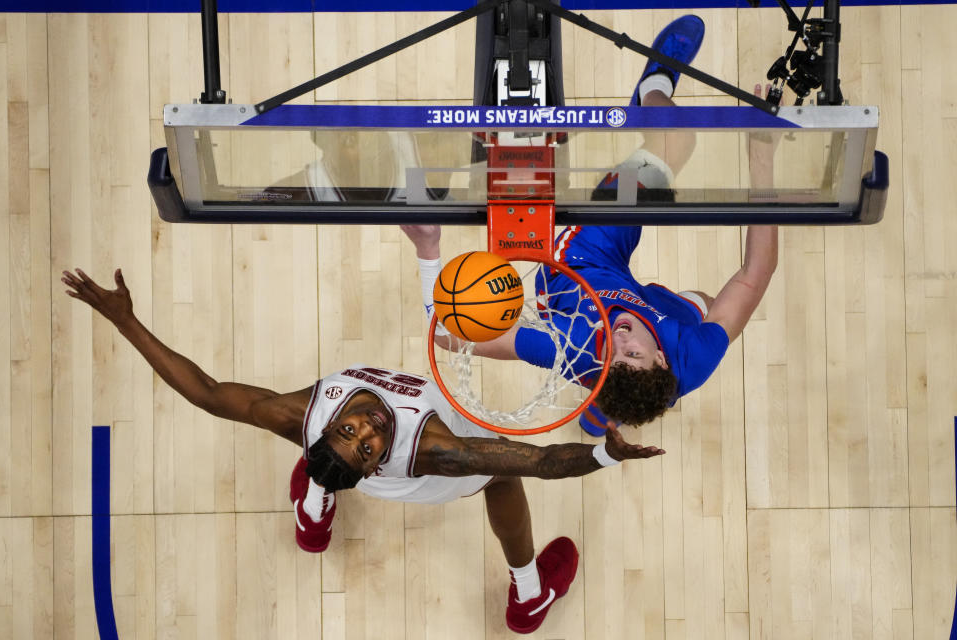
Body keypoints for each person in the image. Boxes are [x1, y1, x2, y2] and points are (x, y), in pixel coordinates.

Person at [62, 267, 665, 634]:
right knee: (503, 480)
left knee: (323, 466)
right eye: (368, 445)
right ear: (379, 460)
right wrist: (607, 456)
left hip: (341, 463)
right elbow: (537, 461)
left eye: (351, 433)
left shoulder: (306, 413)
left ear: (325, 425)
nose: (366, 428)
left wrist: (124, 321)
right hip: (431, 476)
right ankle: (529, 595)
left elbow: (209, 394)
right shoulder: (436, 451)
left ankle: (314, 511)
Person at [403, 15, 780, 436]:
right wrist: (762, 158)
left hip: (581, 257)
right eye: (633, 356)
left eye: (615, 361)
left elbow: (448, 336)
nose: (620, 344)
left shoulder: (575, 348)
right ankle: (653, 87)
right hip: (635, 295)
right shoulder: (694, 355)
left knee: (676, 139)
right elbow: (754, 275)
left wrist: (428, 250)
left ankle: (655, 87)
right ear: (661, 360)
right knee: (706, 303)